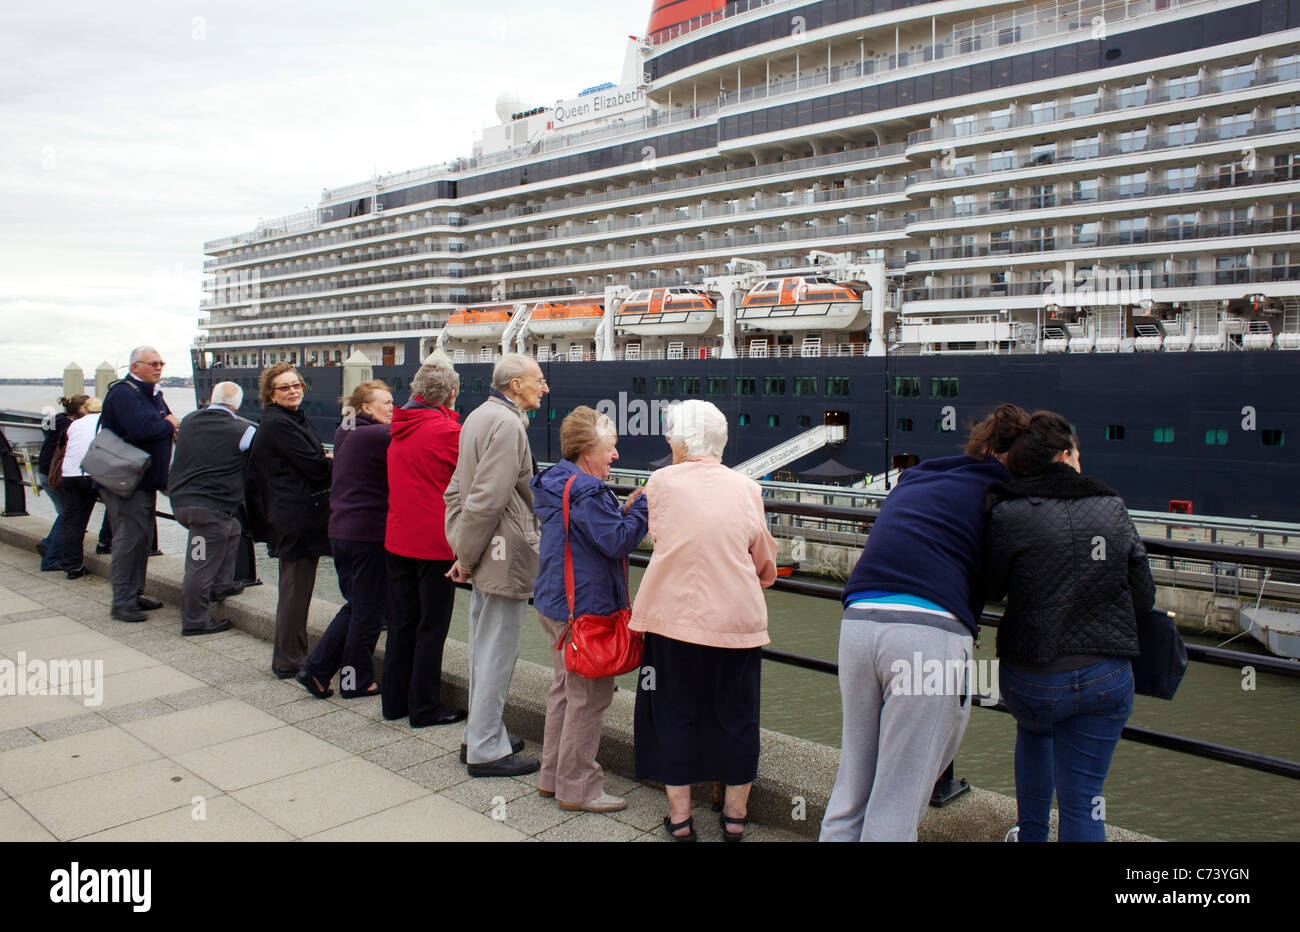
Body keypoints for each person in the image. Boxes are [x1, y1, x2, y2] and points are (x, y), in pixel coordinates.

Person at [819, 404, 1016, 842]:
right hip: (928, 632)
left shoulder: (921, 475)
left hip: (859, 621)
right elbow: (1000, 578)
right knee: (899, 793)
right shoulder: (1006, 492)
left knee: (854, 778)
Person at [983, 410, 1153, 843]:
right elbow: (1143, 594)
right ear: (1065, 456)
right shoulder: (1111, 506)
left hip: (1033, 675)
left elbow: (991, 585)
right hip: (1105, 672)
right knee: (1084, 801)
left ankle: (1031, 834)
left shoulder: (1008, 510)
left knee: (1035, 732)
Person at [630, 400, 777, 841]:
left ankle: (680, 820)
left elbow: (664, 536)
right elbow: (764, 562)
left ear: (682, 442)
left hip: (673, 622)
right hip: (737, 624)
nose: (668, 443)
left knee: (674, 713)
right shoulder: (748, 488)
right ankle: (735, 817)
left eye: (671, 436)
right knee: (737, 715)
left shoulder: (660, 482)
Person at [531, 407, 648, 813]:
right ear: (585, 451)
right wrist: (642, 509)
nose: (615, 457)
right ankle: (578, 787)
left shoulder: (556, 481)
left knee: (564, 691)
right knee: (589, 699)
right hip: (585, 610)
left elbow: (587, 532)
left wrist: (623, 510)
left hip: (554, 603)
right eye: (610, 449)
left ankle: (553, 776)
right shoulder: (590, 491)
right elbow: (616, 543)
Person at [444, 352, 547, 777]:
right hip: (503, 553)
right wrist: (465, 557)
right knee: (498, 652)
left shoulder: (478, 416)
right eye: (539, 380)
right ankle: (486, 748)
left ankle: (479, 732)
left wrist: (460, 545)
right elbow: (487, 498)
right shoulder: (507, 425)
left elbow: (457, 489)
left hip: (485, 549)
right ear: (515, 384)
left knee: (482, 647)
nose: (545, 388)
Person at [381, 361, 466, 726]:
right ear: (449, 395)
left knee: (403, 623)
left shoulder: (398, 428)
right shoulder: (449, 432)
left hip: (397, 538)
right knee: (432, 628)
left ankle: (395, 701)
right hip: (435, 545)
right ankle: (425, 707)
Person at [298, 380, 394, 700]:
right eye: (386, 403)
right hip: (368, 533)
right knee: (369, 612)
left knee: (357, 605)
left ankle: (317, 671)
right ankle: (355, 681)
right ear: (366, 407)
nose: (394, 408)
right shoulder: (376, 434)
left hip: (341, 531)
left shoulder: (346, 430)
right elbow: (413, 433)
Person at [247, 363, 332, 679]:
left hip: (294, 515)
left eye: (296, 385)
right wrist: (335, 462)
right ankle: (288, 660)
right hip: (294, 518)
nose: (294, 390)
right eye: (285, 387)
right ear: (271, 394)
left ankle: (292, 654)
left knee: (296, 588)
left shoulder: (288, 420)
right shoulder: (278, 424)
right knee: (296, 590)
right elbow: (315, 467)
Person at [166, 381, 257, 637]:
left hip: (182, 501)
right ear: (238, 404)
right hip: (210, 508)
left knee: (234, 529)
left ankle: (221, 585)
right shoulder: (244, 430)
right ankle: (194, 621)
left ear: (212, 398)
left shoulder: (190, 420)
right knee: (199, 565)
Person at [99, 346, 179, 622]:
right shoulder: (124, 392)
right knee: (128, 541)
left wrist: (166, 422)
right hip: (127, 481)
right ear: (135, 367)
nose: (158, 368)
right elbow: (142, 428)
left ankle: (134, 594)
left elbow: (165, 422)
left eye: (161, 363)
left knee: (142, 540)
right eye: (152, 363)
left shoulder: (153, 395)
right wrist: (168, 423)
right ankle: (122, 602)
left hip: (144, 481)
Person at [36, 395, 88, 573]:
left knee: (64, 512)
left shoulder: (57, 420)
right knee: (68, 515)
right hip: (57, 475)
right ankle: (52, 558)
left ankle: (48, 543)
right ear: (82, 410)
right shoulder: (73, 427)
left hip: (45, 472)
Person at [57, 397, 103, 580]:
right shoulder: (105, 422)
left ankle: (72, 566)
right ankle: (106, 541)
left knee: (74, 521)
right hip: (92, 474)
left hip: (69, 474)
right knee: (119, 505)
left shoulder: (75, 424)